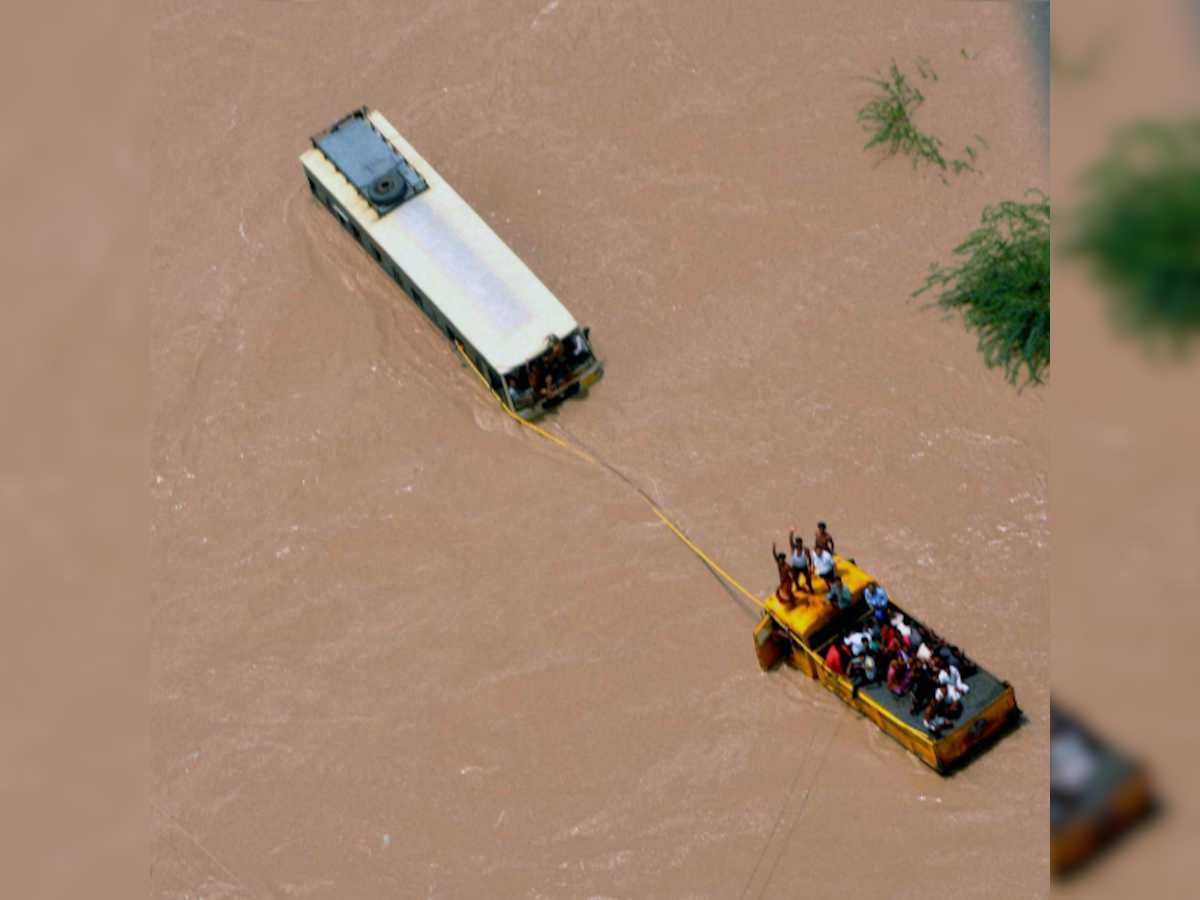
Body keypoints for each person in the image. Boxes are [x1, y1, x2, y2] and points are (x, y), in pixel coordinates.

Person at [788, 527, 813, 593]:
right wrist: (791, 531)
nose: (799, 544)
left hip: (804, 567)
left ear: (802, 543)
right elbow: (790, 540)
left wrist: (810, 568)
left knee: (808, 578)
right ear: (796, 543)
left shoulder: (805, 549)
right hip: (795, 567)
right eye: (797, 543)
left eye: (800, 543)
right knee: (795, 578)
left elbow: (809, 559)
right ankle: (798, 587)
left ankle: (811, 588)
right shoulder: (794, 548)